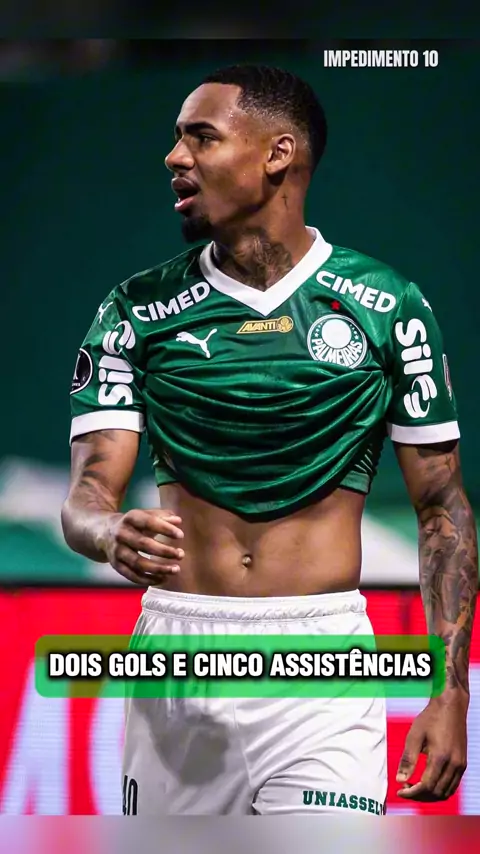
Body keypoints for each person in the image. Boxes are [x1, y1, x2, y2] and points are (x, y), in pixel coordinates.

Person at [61, 64, 478, 815]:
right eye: (177, 139)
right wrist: (107, 532)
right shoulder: (134, 310)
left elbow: (442, 508)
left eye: (202, 137)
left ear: (278, 154)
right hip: (179, 653)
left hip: (323, 658)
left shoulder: (389, 308)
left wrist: (451, 692)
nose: (175, 157)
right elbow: (87, 496)